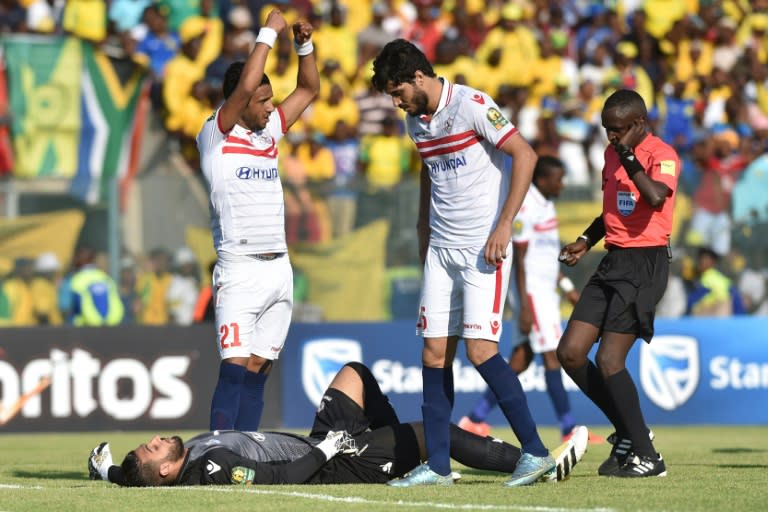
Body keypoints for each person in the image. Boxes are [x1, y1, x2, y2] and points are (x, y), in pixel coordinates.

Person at [371, 39, 554, 487]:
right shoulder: (417, 123)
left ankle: (535, 452)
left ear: (418, 77)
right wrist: (421, 228)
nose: (397, 104)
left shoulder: (473, 105)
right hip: (440, 250)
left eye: (398, 93)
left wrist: (505, 223)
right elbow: (426, 170)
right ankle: (437, 466)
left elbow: (524, 155)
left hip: (481, 250)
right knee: (434, 354)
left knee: (480, 351)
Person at [88, 362, 589, 486]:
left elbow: (133, 479)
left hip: (321, 441)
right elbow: (278, 479)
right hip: (331, 461)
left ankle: (403, 462)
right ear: (167, 473)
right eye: (152, 450)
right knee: (436, 434)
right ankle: (533, 462)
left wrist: (109, 471)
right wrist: (328, 450)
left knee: (355, 374)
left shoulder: (180, 458)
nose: (154, 441)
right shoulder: (211, 467)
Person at [196, 9, 320, 433]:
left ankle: (245, 449)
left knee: (258, 370)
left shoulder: (269, 134)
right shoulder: (216, 134)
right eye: (263, 100)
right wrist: (270, 30)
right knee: (233, 369)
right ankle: (216, 449)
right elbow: (247, 82)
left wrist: (303, 45)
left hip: (278, 268)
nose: (270, 107)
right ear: (238, 102)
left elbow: (309, 88)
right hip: (240, 269)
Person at [556, 89, 680, 478]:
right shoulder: (613, 153)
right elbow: (612, 207)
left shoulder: (662, 155)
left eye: (618, 130)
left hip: (645, 263)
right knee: (571, 352)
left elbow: (656, 197)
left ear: (639, 124)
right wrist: (585, 240)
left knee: (610, 360)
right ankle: (628, 432)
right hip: (613, 259)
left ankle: (648, 456)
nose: (611, 137)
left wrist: (628, 156)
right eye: (607, 129)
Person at [459, 156, 601, 443]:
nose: (562, 184)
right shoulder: (527, 205)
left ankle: (474, 419)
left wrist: (566, 287)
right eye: (558, 178)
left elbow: (546, 258)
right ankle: (568, 427)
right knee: (552, 354)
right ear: (543, 179)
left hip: (545, 292)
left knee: (521, 359)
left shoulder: (546, 204)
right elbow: (521, 259)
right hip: (533, 295)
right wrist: (524, 304)